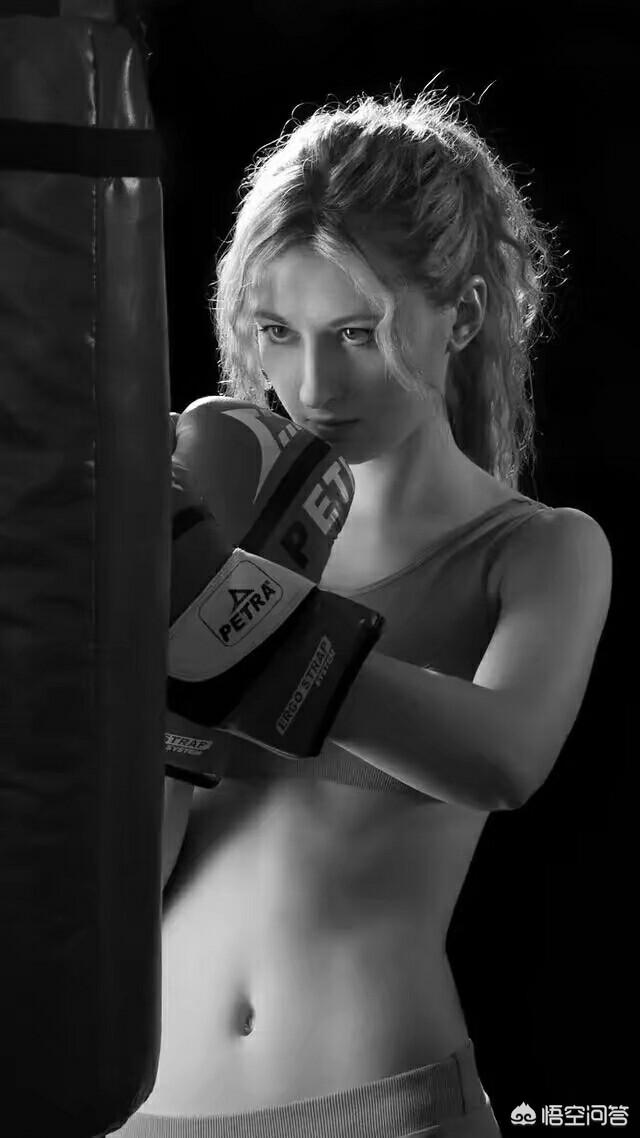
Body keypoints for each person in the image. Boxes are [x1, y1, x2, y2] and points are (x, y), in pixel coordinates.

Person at [115, 87, 612, 1138]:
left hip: (382, 1104)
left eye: (356, 333)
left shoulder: (537, 549)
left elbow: (503, 759)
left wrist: (233, 615)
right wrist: (174, 681)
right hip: (142, 1106)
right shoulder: (210, 528)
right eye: (277, 333)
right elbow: (128, 884)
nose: (313, 384)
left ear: (462, 316)